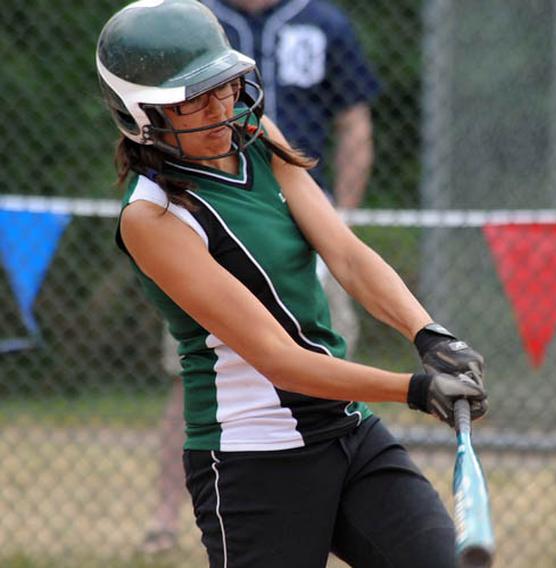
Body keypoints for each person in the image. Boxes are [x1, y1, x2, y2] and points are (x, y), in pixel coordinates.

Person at [97, 2, 486, 567]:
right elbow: (277, 358)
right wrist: (416, 390)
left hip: (347, 431)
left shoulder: (256, 136)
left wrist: (429, 334)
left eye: (224, 84)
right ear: (142, 115)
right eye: (194, 98)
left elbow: (346, 254)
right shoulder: (151, 219)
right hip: (253, 463)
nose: (222, 106)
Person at [141, 0, 381, 552]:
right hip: (203, 231)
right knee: (201, 376)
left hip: (297, 218)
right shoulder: (193, 21)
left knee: (328, 362)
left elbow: (354, 120)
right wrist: (413, 389)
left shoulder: (323, 22)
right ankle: (164, 516)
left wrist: (334, 220)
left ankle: (339, 495)